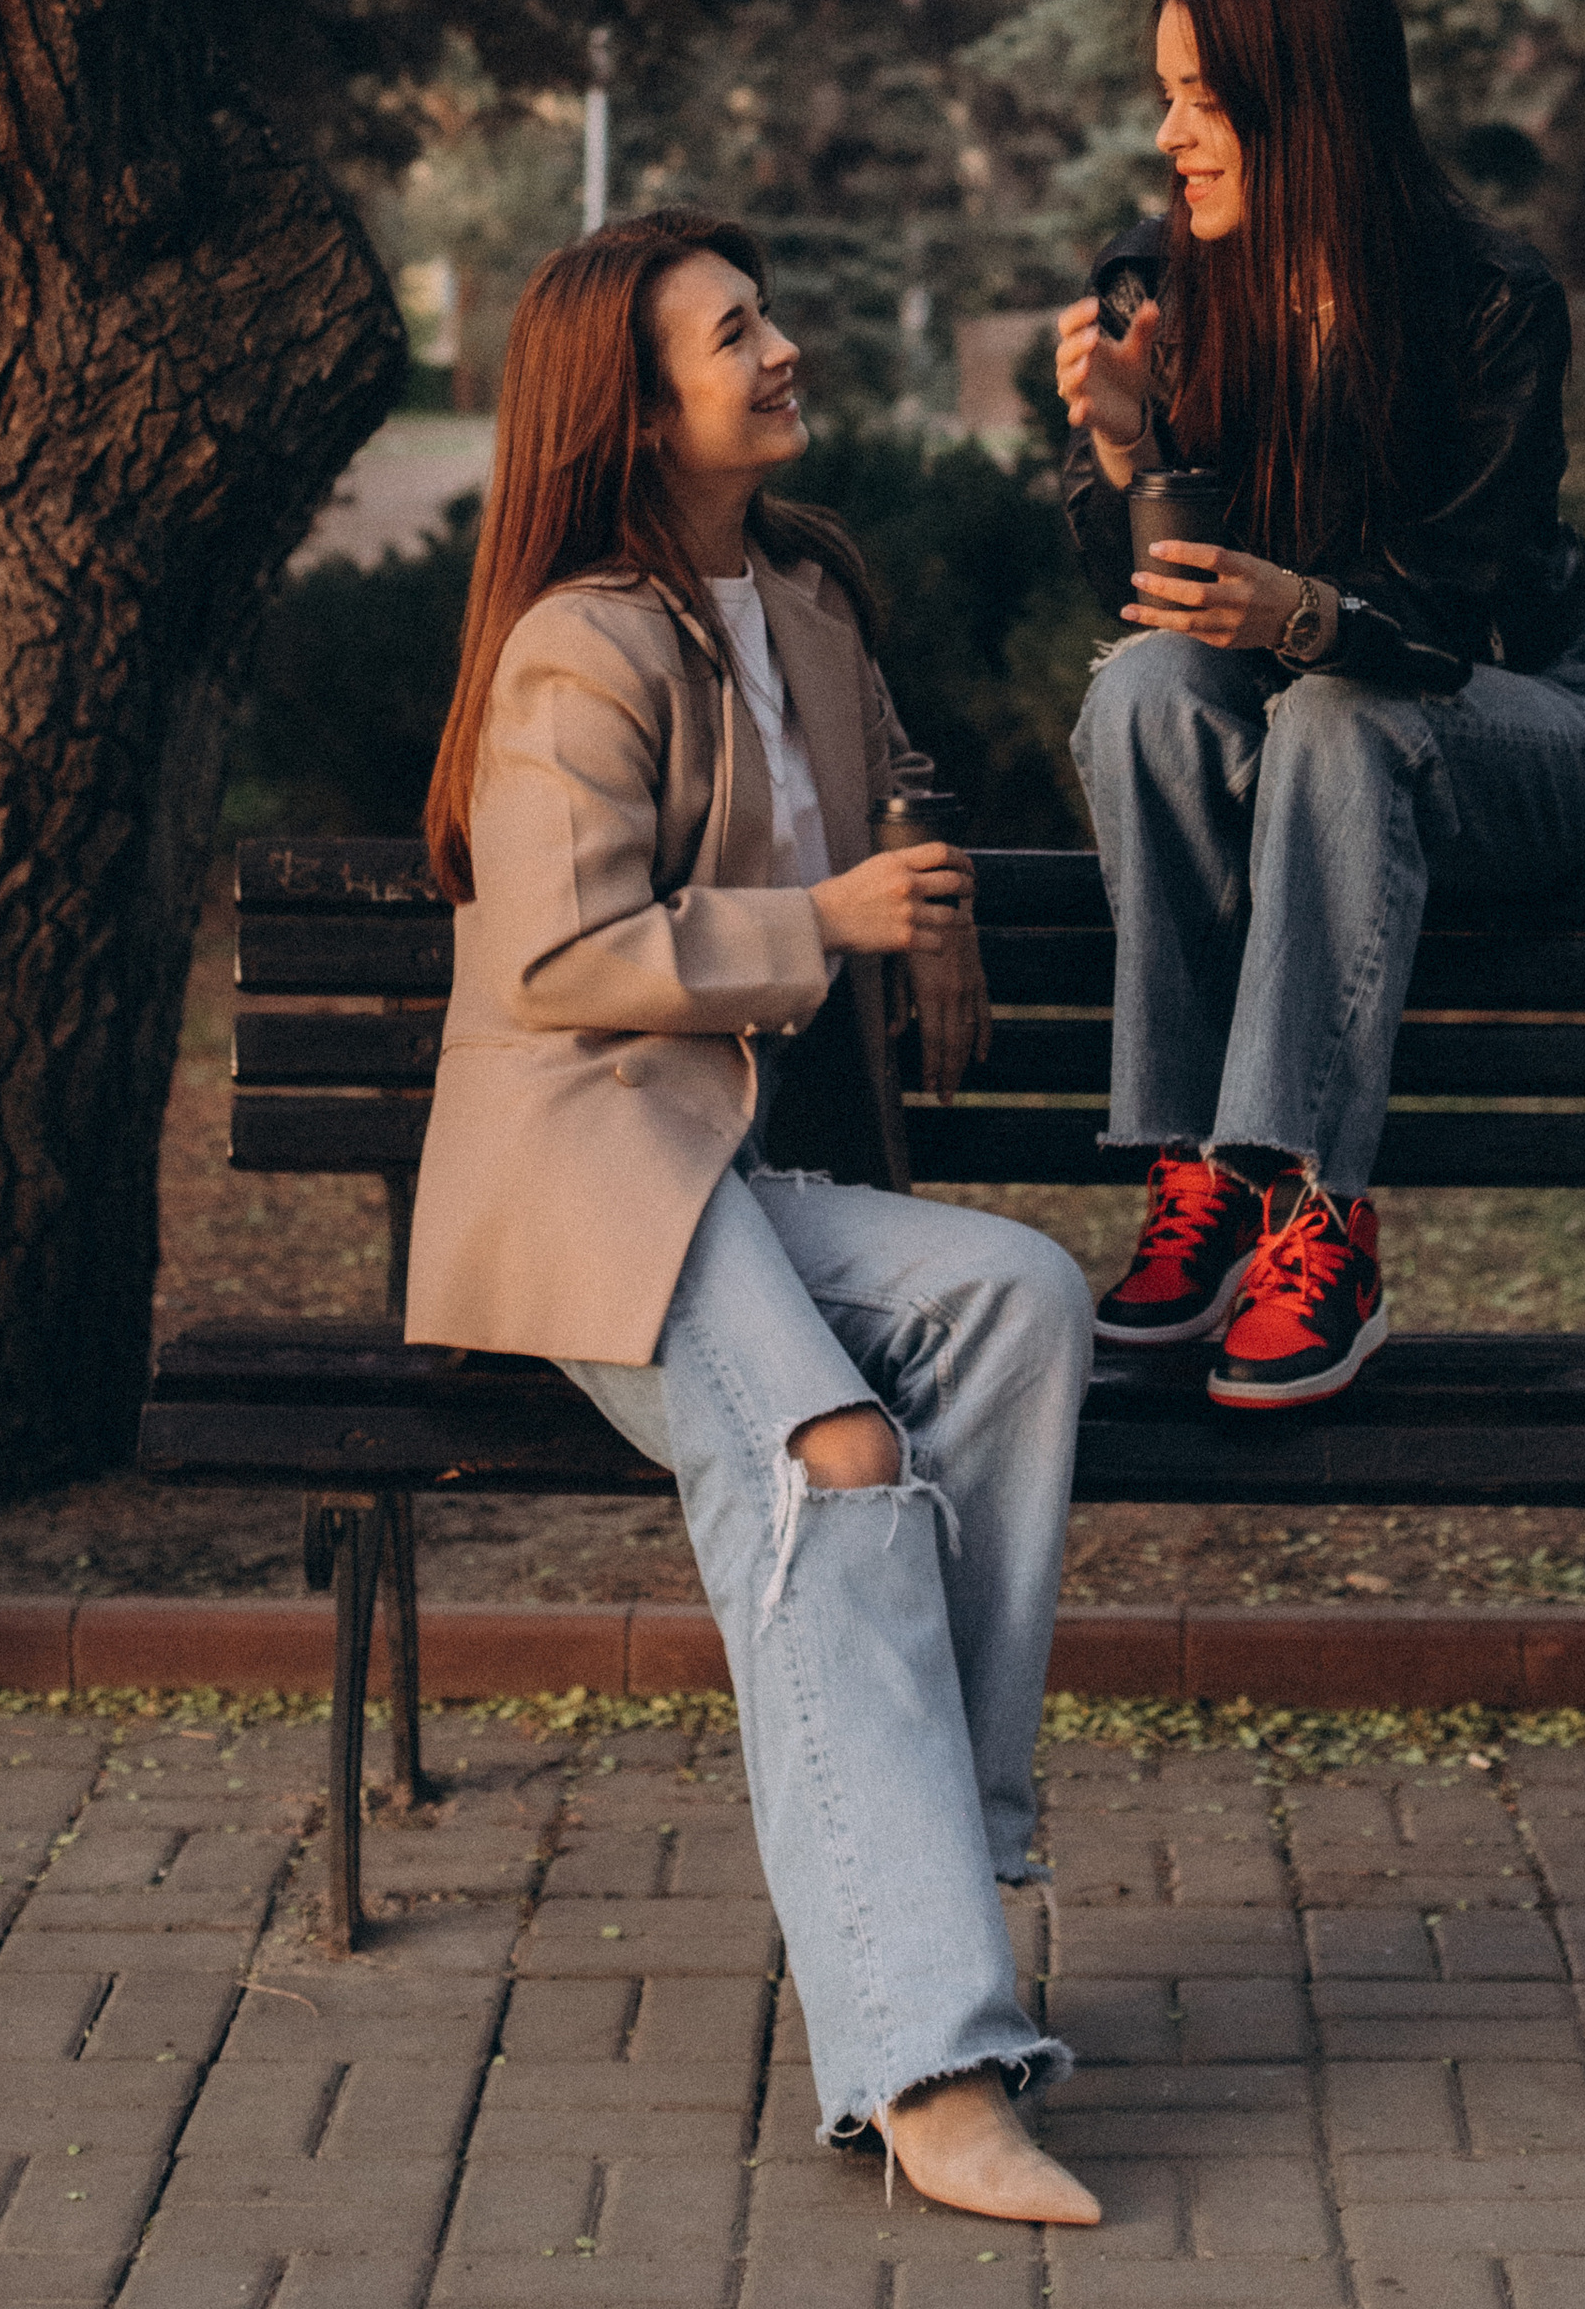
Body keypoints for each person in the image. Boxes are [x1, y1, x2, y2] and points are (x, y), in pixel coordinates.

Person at [407, 208, 1099, 2229]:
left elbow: (884, 779)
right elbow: (552, 954)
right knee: (834, 1455)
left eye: (767, 315)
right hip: (587, 1162)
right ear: (634, 404)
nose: (780, 349)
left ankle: (927, 1862)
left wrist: (919, 866)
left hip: (726, 1162)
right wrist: (823, 926)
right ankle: (929, 2056)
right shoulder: (578, 641)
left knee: (1019, 1300)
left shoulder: (799, 601)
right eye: (734, 334)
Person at [1056, 0, 1585, 1411]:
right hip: (1309, 728)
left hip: (1521, 720)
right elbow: (1142, 608)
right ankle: (1201, 1172)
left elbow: (1445, 618)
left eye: (1202, 96)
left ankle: (1320, 1211)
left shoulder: (1490, 302)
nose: (1171, 134)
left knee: (1336, 710)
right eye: (1166, 93)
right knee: (1139, 690)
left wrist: (1297, 612)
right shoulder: (1163, 283)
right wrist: (1127, 445)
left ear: (1303, 97)